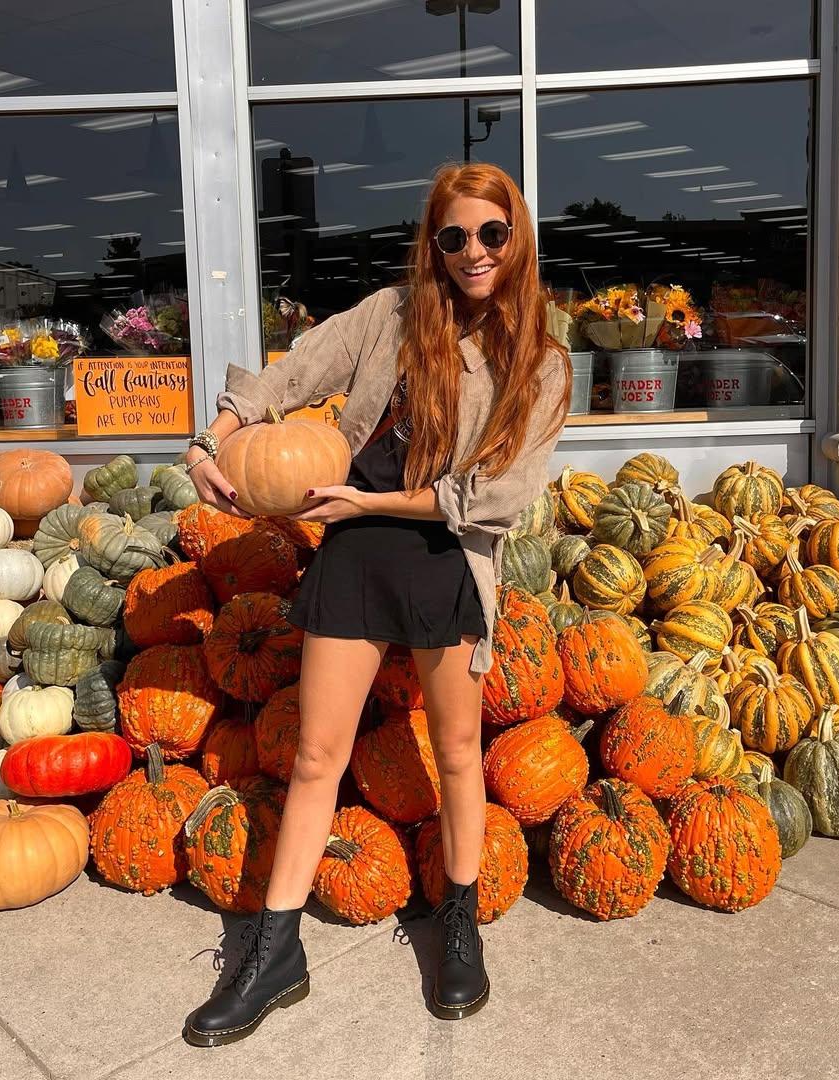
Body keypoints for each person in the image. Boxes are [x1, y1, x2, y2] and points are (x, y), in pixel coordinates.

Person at [181, 162, 571, 1046]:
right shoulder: (390, 316)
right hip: (356, 555)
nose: (474, 253)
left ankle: (459, 923)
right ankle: (275, 952)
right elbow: (289, 375)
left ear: (518, 242)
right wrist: (218, 438)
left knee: (459, 753)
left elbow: (497, 494)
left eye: (492, 235)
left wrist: (370, 500)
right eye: (455, 237)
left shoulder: (539, 364)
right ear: (432, 244)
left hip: (445, 556)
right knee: (316, 756)